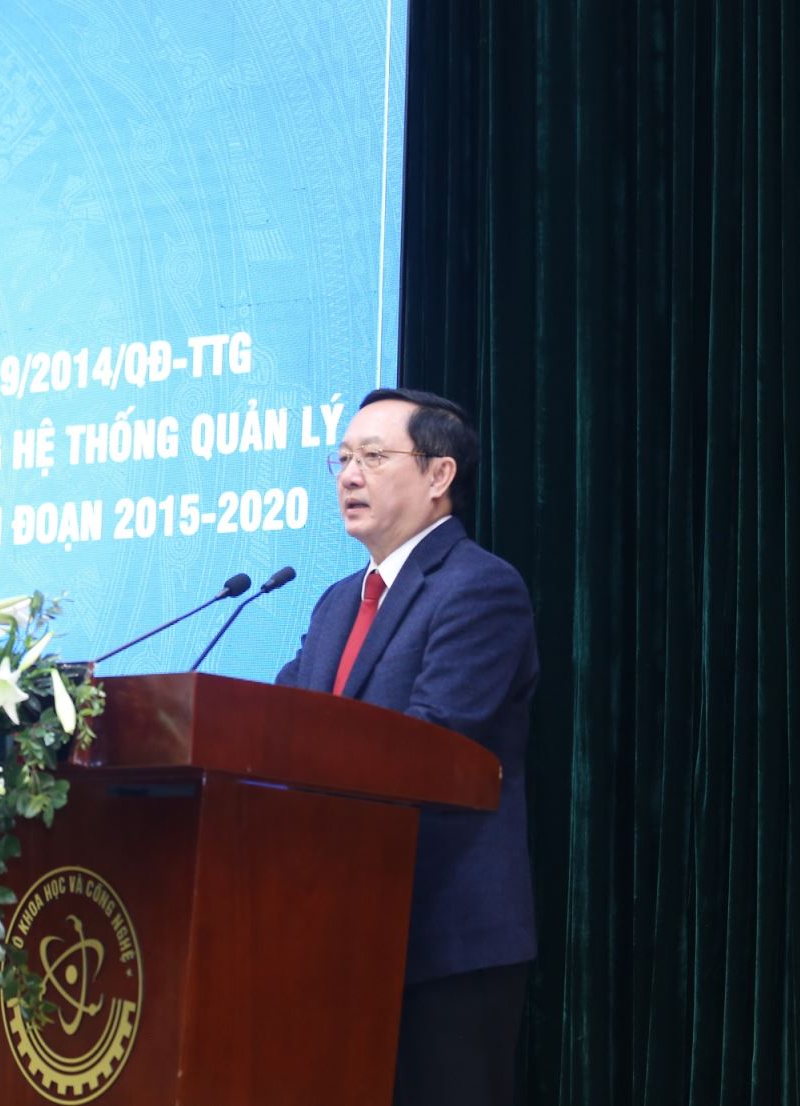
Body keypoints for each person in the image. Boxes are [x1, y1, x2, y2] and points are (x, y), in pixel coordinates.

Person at [276, 388, 537, 1106]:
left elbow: (432, 739)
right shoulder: (337, 601)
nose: (349, 476)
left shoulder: (481, 588)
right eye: (342, 459)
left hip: (444, 939)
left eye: (372, 456)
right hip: (340, 931)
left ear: (438, 474)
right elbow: (281, 723)